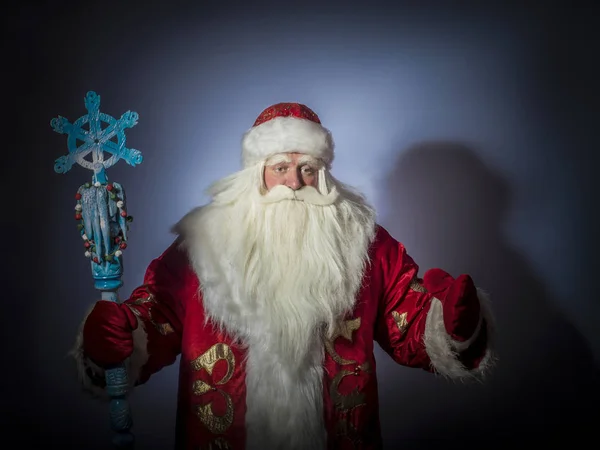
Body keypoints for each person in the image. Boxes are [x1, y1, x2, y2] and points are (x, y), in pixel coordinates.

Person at [72, 102, 496, 450]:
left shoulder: (364, 242)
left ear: (322, 175)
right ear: (256, 172)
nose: (294, 182)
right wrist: (120, 339)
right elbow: (156, 314)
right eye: (280, 167)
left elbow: (410, 322)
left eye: (307, 169)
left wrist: (451, 324)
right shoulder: (201, 244)